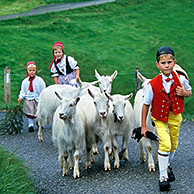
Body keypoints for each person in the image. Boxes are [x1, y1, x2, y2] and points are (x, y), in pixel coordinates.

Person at [141, 46, 192, 191]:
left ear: (174, 63)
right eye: (163, 63)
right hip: (159, 118)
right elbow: (145, 105)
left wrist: (184, 92)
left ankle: (167, 165)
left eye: (169, 62)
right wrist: (143, 126)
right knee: (165, 143)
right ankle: (162, 177)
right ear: (158, 65)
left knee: (174, 144)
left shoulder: (181, 79)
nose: (167, 65)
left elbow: (189, 92)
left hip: (175, 116)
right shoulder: (152, 85)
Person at [18, 61, 46, 132]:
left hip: (37, 98)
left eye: (33, 70)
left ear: (36, 70)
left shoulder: (39, 80)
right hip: (28, 99)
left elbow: (43, 89)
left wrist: (43, 97)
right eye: (30, 70)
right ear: (27, 71)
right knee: (30, 112)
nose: (32, 72)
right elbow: (23, 91)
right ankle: (30, 124)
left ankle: (39, 122)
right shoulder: (25, 81)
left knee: (38, 112)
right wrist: (21, 97)